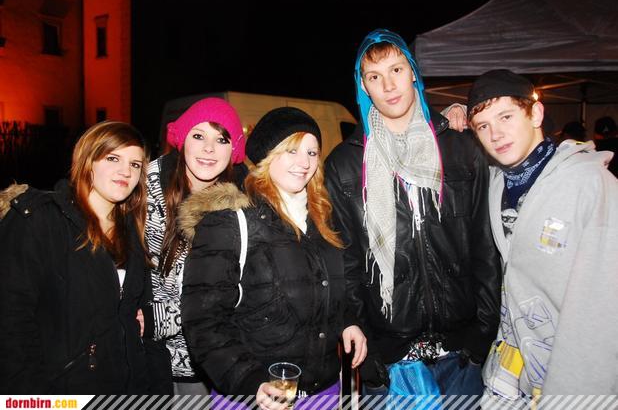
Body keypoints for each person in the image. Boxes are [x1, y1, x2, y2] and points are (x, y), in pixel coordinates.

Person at [324, 28, 501, 397]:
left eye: (396, 70)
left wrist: (481, 335)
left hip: (461, 353)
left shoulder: (460, 148)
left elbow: (484, 246)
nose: (389, 85)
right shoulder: (344, 164)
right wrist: (368, 349)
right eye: (375, 77)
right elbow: (345, 263)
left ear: (413, 73)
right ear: (363, 86)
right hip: (389, 360)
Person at [180, 107, 367, 409]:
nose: (304, 163)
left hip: (324, 394)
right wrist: (250, 382)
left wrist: (347, 323)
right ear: (268, 155)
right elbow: (203, 321)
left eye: (312, 152)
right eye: (292, 150)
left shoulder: (322, 218)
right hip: (255, 397)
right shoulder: (231, 222)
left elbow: (328, 290)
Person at [466, 69, 618, 400]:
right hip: (514, 373)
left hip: (574, 377)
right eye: (483, 126)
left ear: (535, 113)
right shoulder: (498, 184)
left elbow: (605, 309)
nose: (496, 134)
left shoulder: (590, 185)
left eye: (506, 116)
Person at [0, 121, 150, 393]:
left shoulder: (133, 232)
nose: (126, 171)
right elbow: (11, 322)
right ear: (88, 161)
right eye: (113, 158)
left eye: (135, 164)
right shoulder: (40, 221)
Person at [143, 97, 246, 394]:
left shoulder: (246, 206)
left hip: (209, 361)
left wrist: (158, 319)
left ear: (234, 150)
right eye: (198, 136)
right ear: (182, 140)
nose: (209, 149)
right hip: (146, 355)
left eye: (221, 139)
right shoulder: (143, 189)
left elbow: (234, 293)